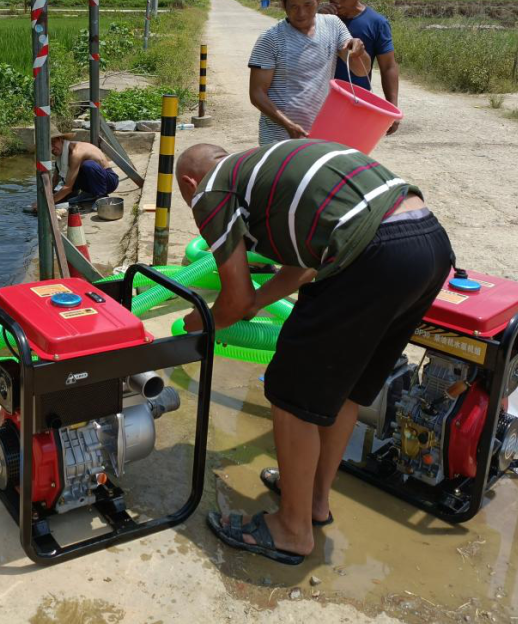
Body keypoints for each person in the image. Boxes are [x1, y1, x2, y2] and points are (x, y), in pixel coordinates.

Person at [176, 140, 453, 565]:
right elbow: (304, 267)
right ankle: (314, 503)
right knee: (345, 391)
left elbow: (232, 299)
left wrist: (195, 325)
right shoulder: (265, 173)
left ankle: (290, 531)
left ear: (189, 182)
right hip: (428, 244)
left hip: (374, 251)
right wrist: (253, 302)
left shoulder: (210, 190)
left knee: (290, 395)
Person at [248, 0, 372, 145]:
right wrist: (288, 125)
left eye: (308, 5)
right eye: (293, 6)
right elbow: (257, 94)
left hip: (320, 134)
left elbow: (361, 70)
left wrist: (359, 52)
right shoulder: (271, 39)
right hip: (279, 139)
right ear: (283, 3)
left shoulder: (333, 25)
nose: (301, 14)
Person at [320, 0, 401, 135]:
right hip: (317, 104)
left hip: (354, 104)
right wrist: (314, 18)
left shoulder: (376, 23)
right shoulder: (318, 18)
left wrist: (392, 106)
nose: (336, 1)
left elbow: (388, 66)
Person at [29, 128, 119, 213]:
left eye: (53, 142)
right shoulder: (61, 156)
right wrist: (43, 199)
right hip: (92, 183)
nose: (52, 148)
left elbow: (68, 187)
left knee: (88, 165)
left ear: (60, 139)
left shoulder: (75, 153)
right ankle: (90, 194)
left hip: (108, 181)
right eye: (48, 145)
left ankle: (101, 197)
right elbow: (54, 180)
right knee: (66, 186)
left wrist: (46, 203)